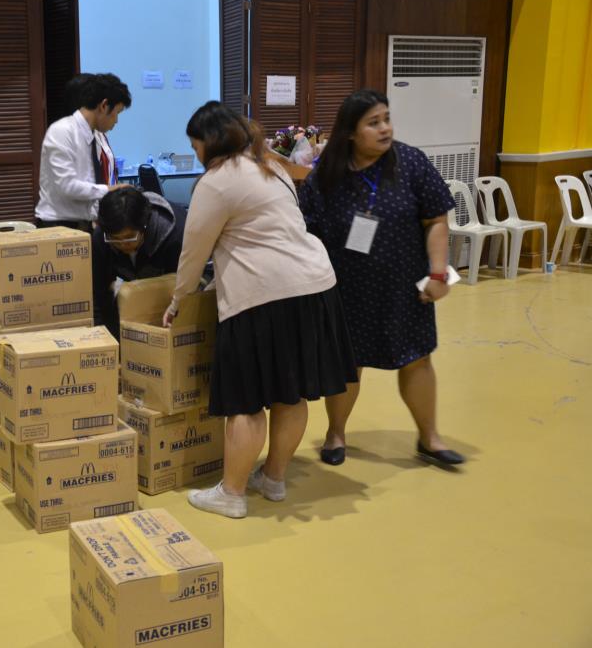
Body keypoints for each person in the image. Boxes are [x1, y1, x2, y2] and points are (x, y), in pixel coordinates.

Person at [164, 101, 357, 519]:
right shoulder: (270, 166)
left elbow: (194, 251)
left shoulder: (216, 181)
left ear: (208, 141)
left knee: (246, 401)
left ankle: (231, 494)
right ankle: (273, 478)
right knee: (292, 393)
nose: (195, 153)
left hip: (262, 295)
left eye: (195, 145)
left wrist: (178, 300)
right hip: (314, 287)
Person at [298, 89, 465, 468]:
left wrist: (439, 272)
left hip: (405, 287)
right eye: (373, 123)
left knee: (417, 359)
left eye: (387, 119)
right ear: (350, 132)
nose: (385, 128)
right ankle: (335, 434)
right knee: (348, 365)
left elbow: (436, 219)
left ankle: (430, 438)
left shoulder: (411, 162)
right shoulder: (327, 175)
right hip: (346, 289)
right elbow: (306, 231)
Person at [34, 73, 133, 231]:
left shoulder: (92, 135)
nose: (116, 120)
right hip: (57, 225)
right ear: (104, 106)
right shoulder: (62, 131)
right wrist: (109, 190)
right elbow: (67, 186)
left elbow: (89, 182)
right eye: (117, 113)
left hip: (83, 223)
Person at [92, 186, 185, 338]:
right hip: (133, 301)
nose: (123, 244)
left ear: (145, 226)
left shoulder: (174, 235)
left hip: (170, 298)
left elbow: (182, 290)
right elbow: (98, 293)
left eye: (129, 237)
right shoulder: (102, 237)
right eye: (115, 239)